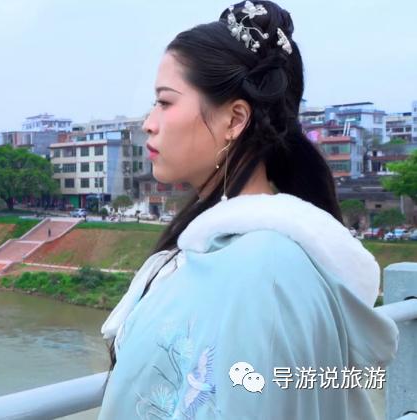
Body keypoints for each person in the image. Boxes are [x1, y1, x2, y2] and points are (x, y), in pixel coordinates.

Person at [97, 2, 398, 419]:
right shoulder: (221, 251)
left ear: (235, 119)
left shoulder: (262, 271)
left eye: (165, 103)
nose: (149, 123)